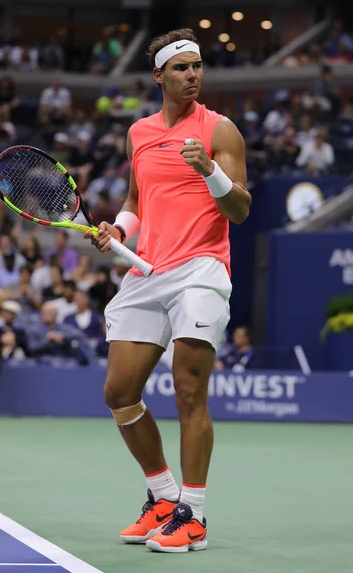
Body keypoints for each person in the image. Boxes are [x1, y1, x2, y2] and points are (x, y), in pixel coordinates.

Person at [85, 28, 251, 553]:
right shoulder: (139, 133)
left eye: (197, 66)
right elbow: (138, 201)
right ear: (159, 76)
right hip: (148, 271)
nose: (192, 75)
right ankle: (162, 496)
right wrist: (118, 230)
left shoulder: (221, 132)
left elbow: (239, 210)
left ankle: (193, 517)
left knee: (188, 391)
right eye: (181, 68)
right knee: (119, 391)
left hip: (201, 270)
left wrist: (210, 172)